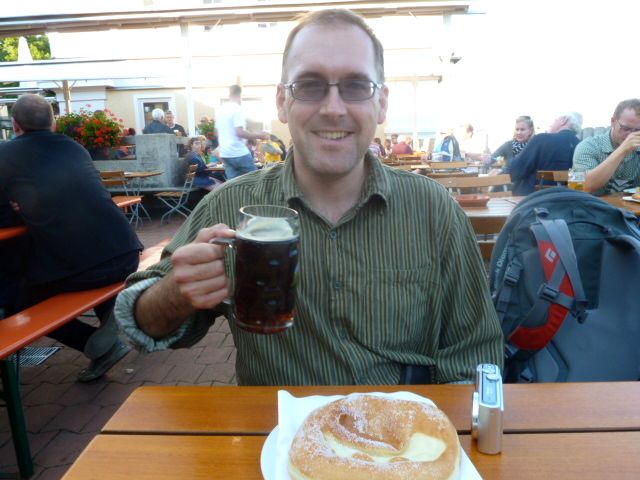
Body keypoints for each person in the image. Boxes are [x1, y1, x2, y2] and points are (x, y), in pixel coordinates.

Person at [114, 8, 502, 386]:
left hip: (399, 442)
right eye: (310, 85)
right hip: (278, 440)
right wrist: (175, 294)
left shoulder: (432, 209)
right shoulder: (229, 207)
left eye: (355, 86)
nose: (333, 109)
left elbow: (474, 353)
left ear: (381, 102)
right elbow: (138, 324)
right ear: (282, 102)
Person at [0, 94, 143, 381]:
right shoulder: (75, 148)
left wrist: (19, 208)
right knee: (73, 262)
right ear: (53, 123)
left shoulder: (5, 155)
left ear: (15, 125)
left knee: (20, 301)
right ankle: (112, 313)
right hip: (127, 253)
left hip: (89, 267)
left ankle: (98, 347)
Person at [573, 99, 640, 194]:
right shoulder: (587, 146)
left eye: (637, 131)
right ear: (613, 121)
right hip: (591, 207)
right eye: (626, 128)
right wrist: (622, 151)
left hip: (632, 209)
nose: (630, 135)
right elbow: (580, 186)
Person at [506, 112, 582, 195]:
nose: (551, 124)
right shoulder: (581, 145)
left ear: (563, 121)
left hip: (533, 202)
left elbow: (514, 172)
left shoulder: (542, 139)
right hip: (568, 202)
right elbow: (577, 186)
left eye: (555, 120)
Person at [216, 84, 269, 180]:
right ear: (240, 95)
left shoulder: (220, 110)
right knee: (256, 181)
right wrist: (259, 135)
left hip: (225, 154)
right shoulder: (237, 109)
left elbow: (216, 133)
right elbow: (239, 132)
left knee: (233, 186)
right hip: (239, 152)